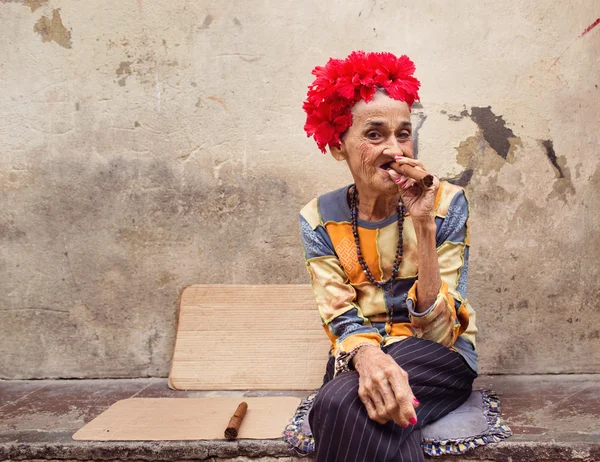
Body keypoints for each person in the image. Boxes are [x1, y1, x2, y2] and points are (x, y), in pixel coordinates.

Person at [299, 51, 478, 461]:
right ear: (338, 146)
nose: (394, 149)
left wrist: (424, 224)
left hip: (438, 359)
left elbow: (441, 334)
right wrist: (368, 357)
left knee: (333, 405)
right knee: (353, 407)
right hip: (359, 356)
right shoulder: (319, 219)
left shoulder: (446, 203)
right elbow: (340, 319)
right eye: (374, 134)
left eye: (403, 133)